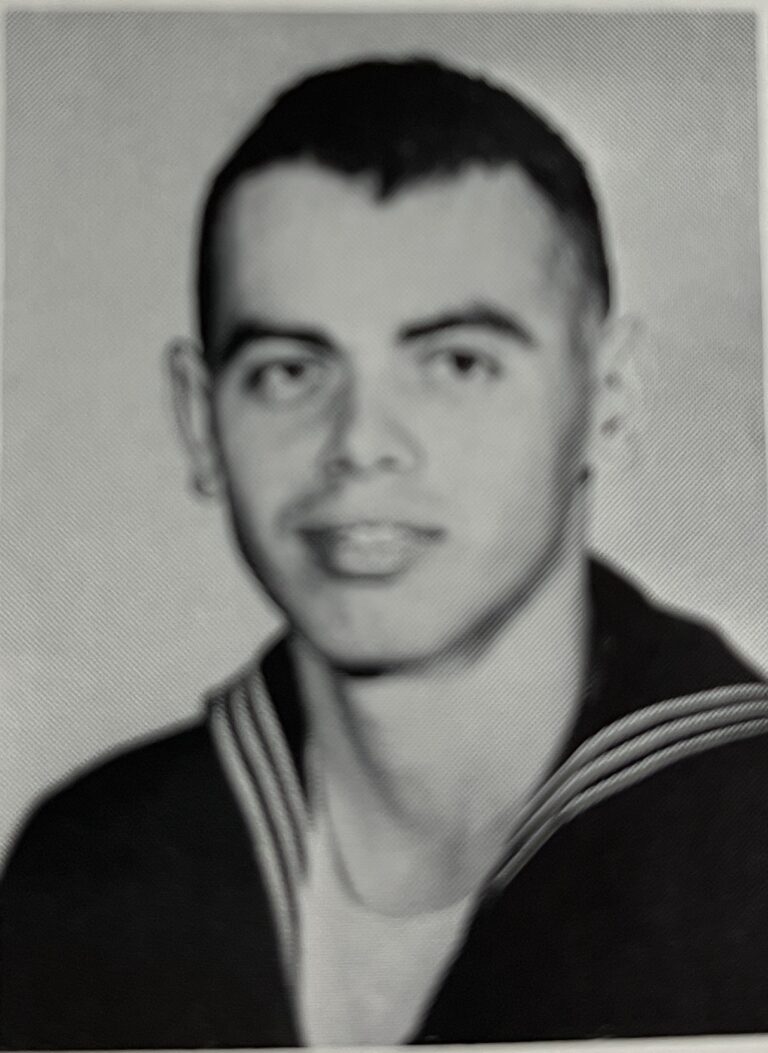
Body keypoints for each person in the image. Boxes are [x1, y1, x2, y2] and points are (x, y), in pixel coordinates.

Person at [1, 57, 767, 1050]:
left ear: (609, 400)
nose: (360, 442)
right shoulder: (89, 871)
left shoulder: (745, 826)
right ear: (199, 420)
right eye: (290, 371)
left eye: (456, 363)